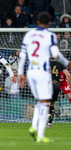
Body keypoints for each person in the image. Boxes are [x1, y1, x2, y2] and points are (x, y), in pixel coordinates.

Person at [18, 12, 71, 143]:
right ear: (49, 24)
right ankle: (39, 133)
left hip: (30, 72)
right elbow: (56, 54)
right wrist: (66, 63)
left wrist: (20, 73)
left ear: (37, 22)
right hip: (42, 72)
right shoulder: (50, 35)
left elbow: (23, 56)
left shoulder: (29, 35)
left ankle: (34, 129)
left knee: (42, 102)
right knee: (45, 103)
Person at [47, 56, 71, 128]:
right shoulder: (60, 62)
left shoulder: (45, 59)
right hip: (56, 85)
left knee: (44, 103)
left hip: (47, 84)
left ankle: (46, 117)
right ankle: (49, 124)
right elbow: (68, 74)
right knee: (52, 104)